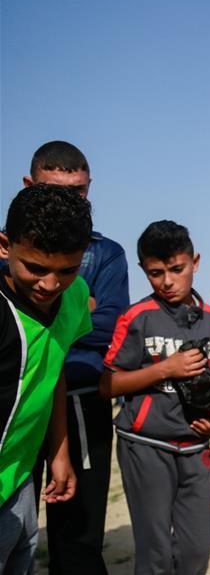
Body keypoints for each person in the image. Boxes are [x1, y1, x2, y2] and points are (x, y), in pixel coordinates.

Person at [100, 220, 210, 574]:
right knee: (155, 554)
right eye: (156, 273)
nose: (168, 281)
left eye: (177, 269)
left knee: (194, 553)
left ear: (195, 262)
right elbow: (107, 385)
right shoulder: (137, 317)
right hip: (145, 444)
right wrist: (164, 370)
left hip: (195, 447)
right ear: (144, 270)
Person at [26, 141, 130, 575]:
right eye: (54, 191)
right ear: (28, 187)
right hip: (19, 406)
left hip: (82, 401)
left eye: (78, 193)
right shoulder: (11, 249)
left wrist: (53, 325)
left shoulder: (106, 253)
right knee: (14, 526)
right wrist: (75, 316)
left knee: (80, 536)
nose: (50, 285)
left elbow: (109, 327)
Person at [0, 185, 93, 572]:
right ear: (5, 246)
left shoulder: (75, 298)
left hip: (20, 480)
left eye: (67, 270)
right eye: (36, 268)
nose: (51, 285)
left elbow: (52, 372)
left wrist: (59, 451)